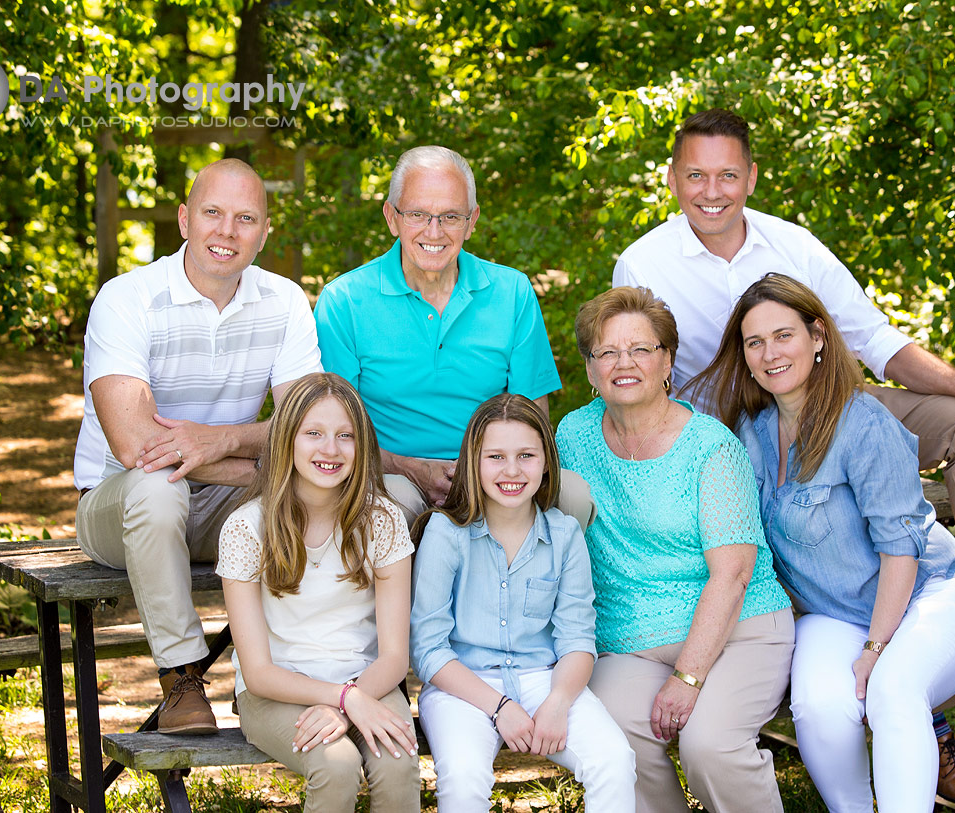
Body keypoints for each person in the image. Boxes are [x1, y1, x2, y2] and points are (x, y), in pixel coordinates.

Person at [614, 107, 955, 801]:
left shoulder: (793, 245)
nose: (712, 189)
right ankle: (930, 732)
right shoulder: (644, 261)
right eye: (695, 174)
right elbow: (640, 365)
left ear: (751, 176)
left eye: (728, 172)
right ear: (673, 179)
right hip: (735, 426)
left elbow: (876, 339)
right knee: (834, 544)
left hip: (830, 401)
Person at [697, 273, 955, 812]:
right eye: (754, 342)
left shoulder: (863, 423)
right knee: (818, 705)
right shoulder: (750, 432)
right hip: (833, 614)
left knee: (893, 693)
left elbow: (900, 548)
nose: (769, 353)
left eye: (784, 335)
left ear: (818, 338)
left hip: (928, 599)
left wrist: (876, 648)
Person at [73, 158, 323, 735]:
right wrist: (261, 460)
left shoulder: (284, 302)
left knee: (318, 488)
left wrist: (221, 439)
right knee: (159, 487)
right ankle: (182, 678)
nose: (226, 231)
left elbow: (310, 432)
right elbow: (138, 448)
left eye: (245, 218)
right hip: (119, 503)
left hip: (221, 502)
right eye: (212, 213)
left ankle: (276, 679)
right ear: (185, 219)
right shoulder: (126, 298)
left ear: (264, 233)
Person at [555, 287, 795, 813]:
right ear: (590, 369)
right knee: (609, 735)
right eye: (607, 352)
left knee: (711, 745)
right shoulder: (571, 436)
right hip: (632, 636)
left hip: (738, 629)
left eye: (641, 349)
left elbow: (732, 577)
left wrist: (688, 679)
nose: (625, 364)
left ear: (667, 361)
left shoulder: (711, 448)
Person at [313, 146, 591, 527]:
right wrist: (409, 468)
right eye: (417, 214)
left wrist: (487, 469)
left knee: (573, 494)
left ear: (472, 220)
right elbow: (333, 432)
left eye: (450, 216)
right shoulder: (344, 300)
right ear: (392, 218)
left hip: (494, 468)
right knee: (394, 505)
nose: (434, 231)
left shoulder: (512, 292)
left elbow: (532, 417)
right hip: (390, 474)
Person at [410, 393, 635, 812]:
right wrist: (499, 707)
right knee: (462, 777)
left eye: (526, 455)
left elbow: (578, 640)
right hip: (463, 684)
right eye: (495, 456)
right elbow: (428, 650)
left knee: (614, 760)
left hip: (545, 678)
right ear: (473, 462)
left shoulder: (565, 535)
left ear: (546, 461)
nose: (511, 471)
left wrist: (557, 702)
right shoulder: (446, 534)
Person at [217, 372, 419, 812]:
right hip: (277, 693)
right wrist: (343, 700)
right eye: (314, 433)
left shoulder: (382, 521)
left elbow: (393, 657)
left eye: (345, 436)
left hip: (372, 681)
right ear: (287, 439)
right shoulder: (247, 528)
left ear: (362, 447)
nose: (330, 449)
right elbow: (258, 673)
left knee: (399, 763)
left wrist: (351, 700)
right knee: (337, 764)